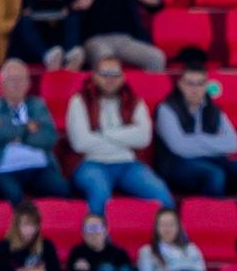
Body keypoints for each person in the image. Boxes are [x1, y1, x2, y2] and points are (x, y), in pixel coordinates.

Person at [153, 59, 237, 242]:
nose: (195, 89)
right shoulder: (166, 109)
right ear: (181, 85)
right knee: (214, 174)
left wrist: (196, 141)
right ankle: (211, 236)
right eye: (190, 83)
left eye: (200, 84)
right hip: (176, 166)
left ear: (206, 85)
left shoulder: (214, 110)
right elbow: (179, 147)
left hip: (213, 163)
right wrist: (213, 143)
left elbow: (233, 144)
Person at [62, 57, 173, 215]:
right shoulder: (79, 101)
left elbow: (143, 139)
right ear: (94, 76)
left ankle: (177, 240)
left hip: (128, 164)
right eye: (105, 74)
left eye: (115, 74)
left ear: (122, 77)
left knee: (161, 193)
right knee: (99, 192)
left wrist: (102, 133)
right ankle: (97, 240)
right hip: (91, 163)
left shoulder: (135, 102)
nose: (110, 79)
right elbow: (80, 142)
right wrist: (126, 137)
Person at [0, 59, 67, 202]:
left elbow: (49, 138)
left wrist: (14, 134)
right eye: (11, 79)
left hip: (38, 168)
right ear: (2, 83)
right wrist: (27, 128)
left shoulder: (38, 105)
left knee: (61, 189)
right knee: (14, 195)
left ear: (28, 83)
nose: (16, 84)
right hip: (3, 170)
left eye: (20, 79)